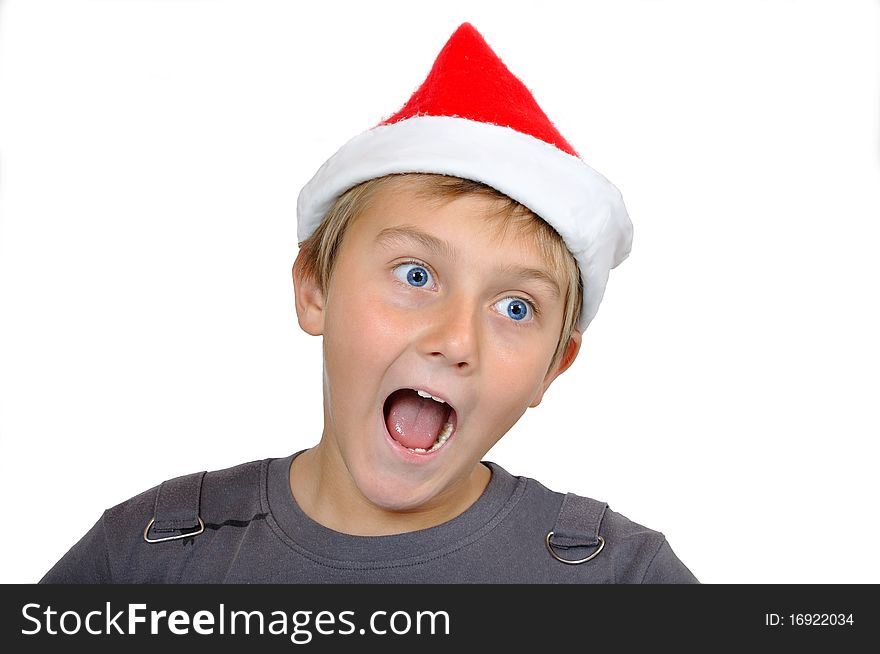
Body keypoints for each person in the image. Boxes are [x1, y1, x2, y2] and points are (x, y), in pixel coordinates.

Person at [40, 22, 698, 584]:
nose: (457, 340)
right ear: (314, 288)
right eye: (415, 275)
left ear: (554, 368)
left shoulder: (622, 580)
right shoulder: (150, 557)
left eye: (516, 308)